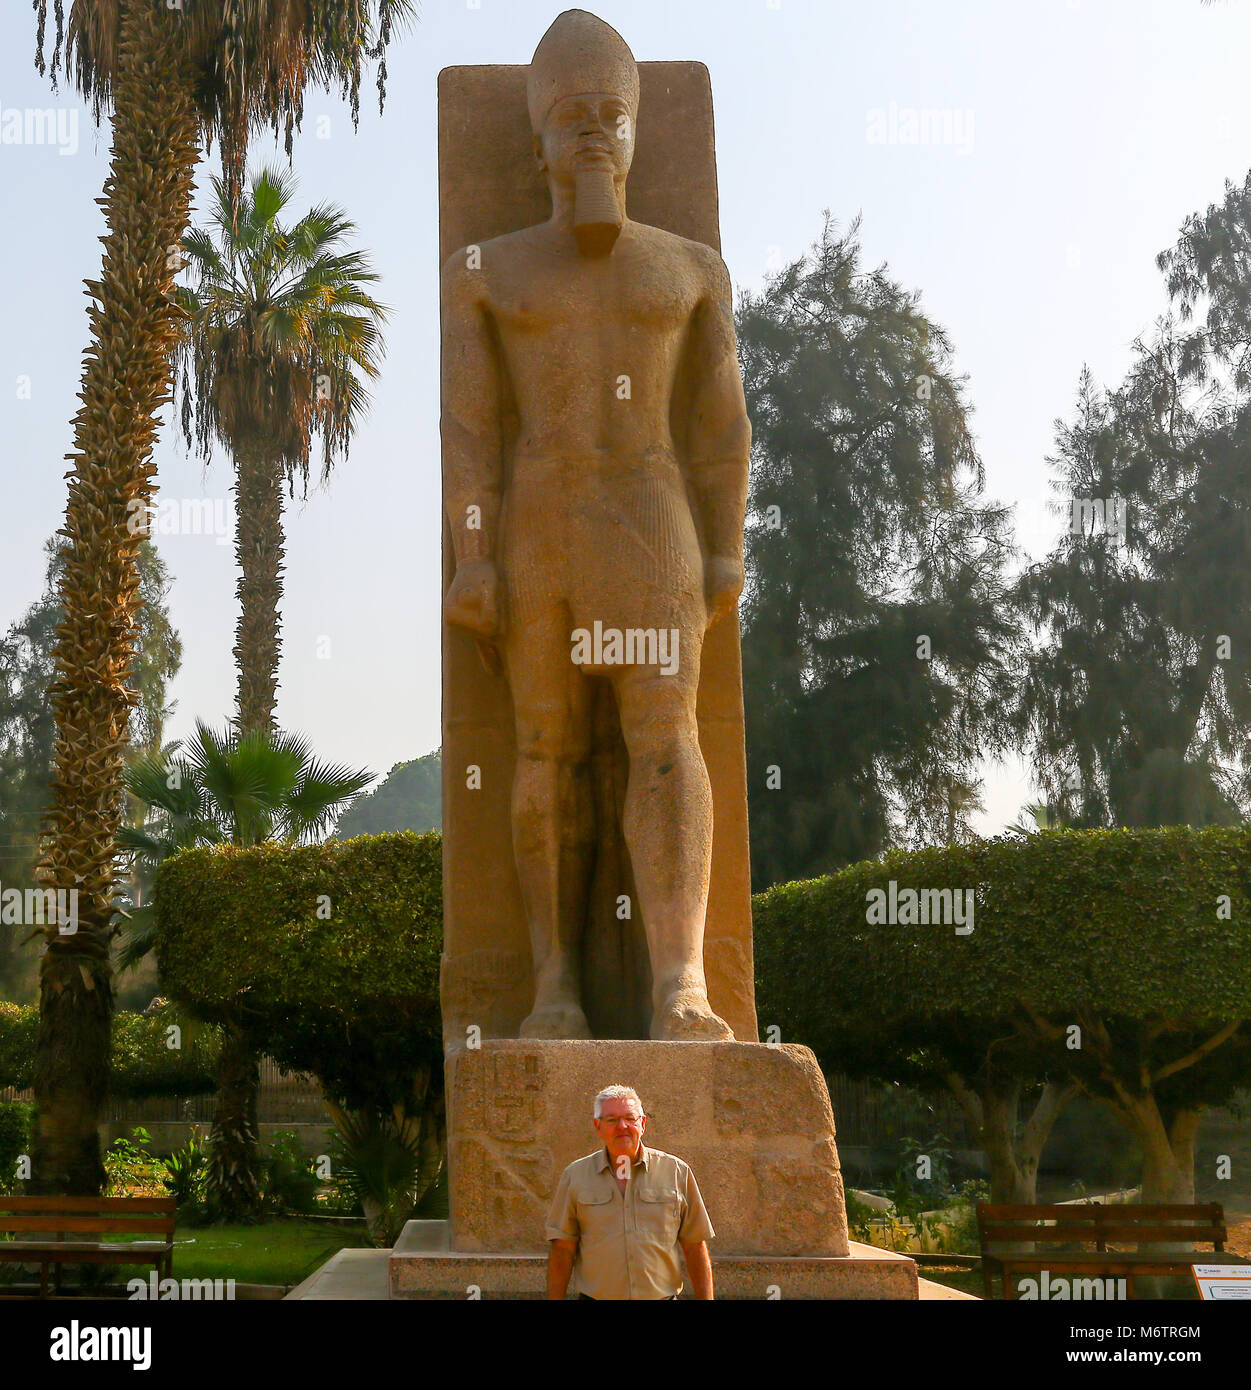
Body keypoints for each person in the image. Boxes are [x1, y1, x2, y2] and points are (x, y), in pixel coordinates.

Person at [440, 9, 751, 1042]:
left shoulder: (688, 267)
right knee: (545, 749)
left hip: (652, 522)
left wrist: (727, 547)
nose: (588, 135)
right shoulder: (492, 270)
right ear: (537, 139)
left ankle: (681, 982)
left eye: (608, 117)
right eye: (569, 116)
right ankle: (555, 986)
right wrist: (474, 558)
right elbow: (470, 425)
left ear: (633, 137)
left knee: (666, 741)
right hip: (539, 527)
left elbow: (721, 424)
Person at [544, 1085, 715, 1300]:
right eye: (612, 1120)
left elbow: (695, 1245)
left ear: (642, 1124)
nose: (622, 1126)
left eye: (630, 1118)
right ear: (598, 1127)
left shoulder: (676, 1173)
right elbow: (562, 1250)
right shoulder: (575, 1176)